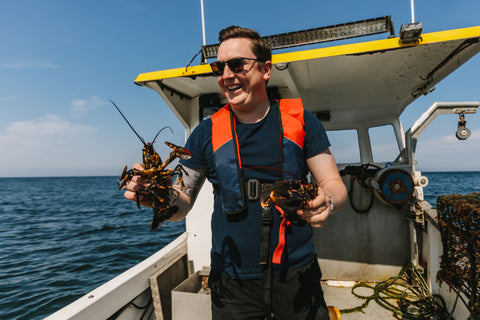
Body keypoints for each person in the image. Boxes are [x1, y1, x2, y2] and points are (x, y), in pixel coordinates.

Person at [124, 26, 347, 320]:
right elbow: (183, 200)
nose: (226, 74)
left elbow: (334, 184)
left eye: (237, 64)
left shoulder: (303, 122)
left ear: (266, 69)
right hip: (231, 282)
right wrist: (160, 200)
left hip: (296, 276)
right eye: (219, 67)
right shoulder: (205, 133)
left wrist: (327, 201)